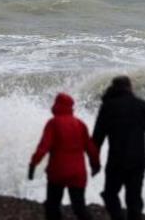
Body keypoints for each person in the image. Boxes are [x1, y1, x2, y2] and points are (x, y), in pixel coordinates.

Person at [91, 76, 145, 220]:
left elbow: (97, 138)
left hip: (116, 160)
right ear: (130, 87)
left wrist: (95, 163)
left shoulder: (108, 107)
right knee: (134, 199)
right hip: (137, 160)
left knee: (110, 195)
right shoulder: (143, 106)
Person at [29, 92, 101, 220]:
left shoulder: (53, 123)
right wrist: (95, 165)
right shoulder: (80, 124)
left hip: (58, 171)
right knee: (79, 207)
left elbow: (43, 147)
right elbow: (91, 149)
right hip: (78, 173)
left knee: (52, 205)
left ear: (56, 105)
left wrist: (33, 164)